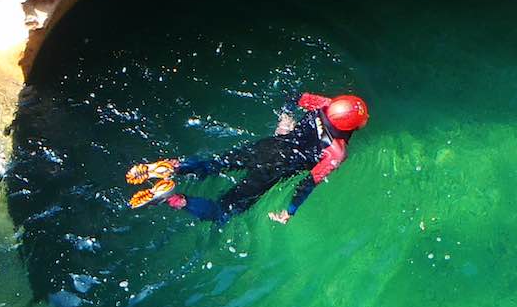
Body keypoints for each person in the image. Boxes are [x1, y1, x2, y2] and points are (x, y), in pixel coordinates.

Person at [125, 92, 369, 225]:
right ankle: (175, 199)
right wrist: (290, 211)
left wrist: (284, 120)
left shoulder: (324, 104)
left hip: (268, 146)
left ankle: (172, 167)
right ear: (354, 126)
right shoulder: (337, 151)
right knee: (223, 212)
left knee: (214, 164)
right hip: (273, 170)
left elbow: (292, 97)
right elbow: (308, 184)